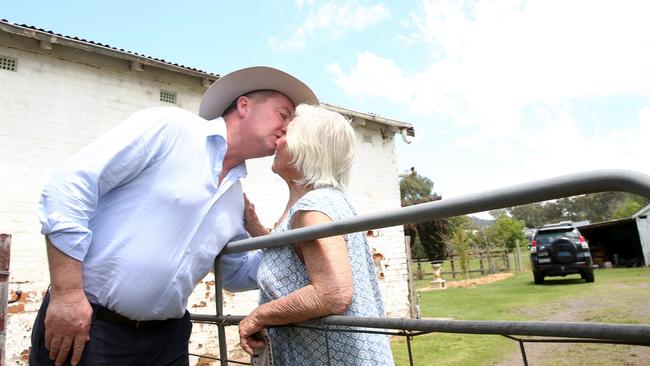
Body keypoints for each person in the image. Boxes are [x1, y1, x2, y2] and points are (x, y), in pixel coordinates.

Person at [31, 66, 318, 366]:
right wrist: (67, 295)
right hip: (92, 327)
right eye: (283, 115)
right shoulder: (171, 128)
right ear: (244, 105)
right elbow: (68, 186)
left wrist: (299, 247)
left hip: (167, 340)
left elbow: (234, 273)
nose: (288, 128)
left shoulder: (235, 198)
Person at [239, 104, 395, 365]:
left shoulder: (312, 209)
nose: (278, 139)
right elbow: (294, 262)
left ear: (306, 147)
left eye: (286, 133)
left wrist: (258, 316)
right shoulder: (322, 202)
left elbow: (332, 294)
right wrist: (257, 229)